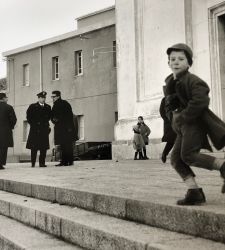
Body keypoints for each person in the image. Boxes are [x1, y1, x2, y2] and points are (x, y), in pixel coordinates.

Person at [165, 43, 225, 206]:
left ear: (189, 63)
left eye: (181, 59)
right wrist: (172, 116)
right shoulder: (171, 82)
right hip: (181, 127)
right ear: (168, 63)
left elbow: (201, 101)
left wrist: (184, 116)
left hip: (193, 124)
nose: (176, 62)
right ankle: (194, 191)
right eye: (172, 59)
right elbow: (169, 104)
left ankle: (223, 166)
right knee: (176, 159)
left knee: (189, 155)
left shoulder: (193, 81)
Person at [51, 90, 78, 166]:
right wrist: (54, 120)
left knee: (66, 145)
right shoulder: (60, 104)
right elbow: (52, 116)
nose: (52, 98)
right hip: (64, 128)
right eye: (52, 97)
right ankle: (67, 161)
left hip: (65, 128)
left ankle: (66, 161)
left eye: (54, 96)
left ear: (58, 96)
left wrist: (56, 120)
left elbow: (69, 116)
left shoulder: (63, 104)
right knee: (65, 145)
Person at [26, 91, 51, 167]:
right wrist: (34, 125)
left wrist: (46, 126)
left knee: (43, 148)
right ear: (39, 98)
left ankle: (42, 163)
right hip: (35, 130)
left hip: (44, 130)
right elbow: (29, 117)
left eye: (44, 98)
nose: (43, 99)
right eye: (42, 98)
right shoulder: (32, 106)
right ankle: (33, 163)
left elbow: (49, 117)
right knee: (34, 148)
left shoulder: (48, 107)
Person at [159, 86, 176, 163]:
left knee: (173, 140)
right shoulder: (165, 100)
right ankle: (165, 153)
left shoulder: (175, 98)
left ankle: (165, 154)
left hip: (175, 122)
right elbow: (162, 112)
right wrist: (167, 120)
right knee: (172, 140)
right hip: (170, 123)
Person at [0, 93, 17, 169]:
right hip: (5, 131)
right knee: (3, 147)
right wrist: (10, 126)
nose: (7, 99)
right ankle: (1, 164)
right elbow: (13, 119)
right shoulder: (8, 107)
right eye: (6, 98)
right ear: (3, 98)